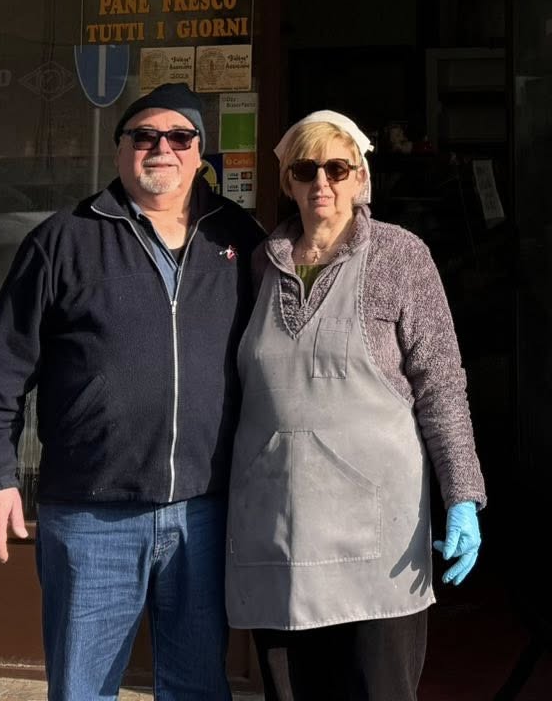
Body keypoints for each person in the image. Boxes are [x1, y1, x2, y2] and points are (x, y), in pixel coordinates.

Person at [0, 82, 265, 701]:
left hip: (205, 510)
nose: (162, 148)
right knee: (82, 688)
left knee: (198, 687)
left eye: (179, 137)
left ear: (200, 153)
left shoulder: (239, 238)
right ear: (120, 149)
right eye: (144, 136)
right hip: (91, 514)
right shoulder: (64, 239)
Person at [226, 110, 486, 701]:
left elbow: (441, 384)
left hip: (378, 539)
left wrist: (462, 496)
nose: (322, 182)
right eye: (305, 170)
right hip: (278, 530)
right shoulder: (258, 266)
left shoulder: (400, 256)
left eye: (338, 169)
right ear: (288, 183)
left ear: (361, 178)